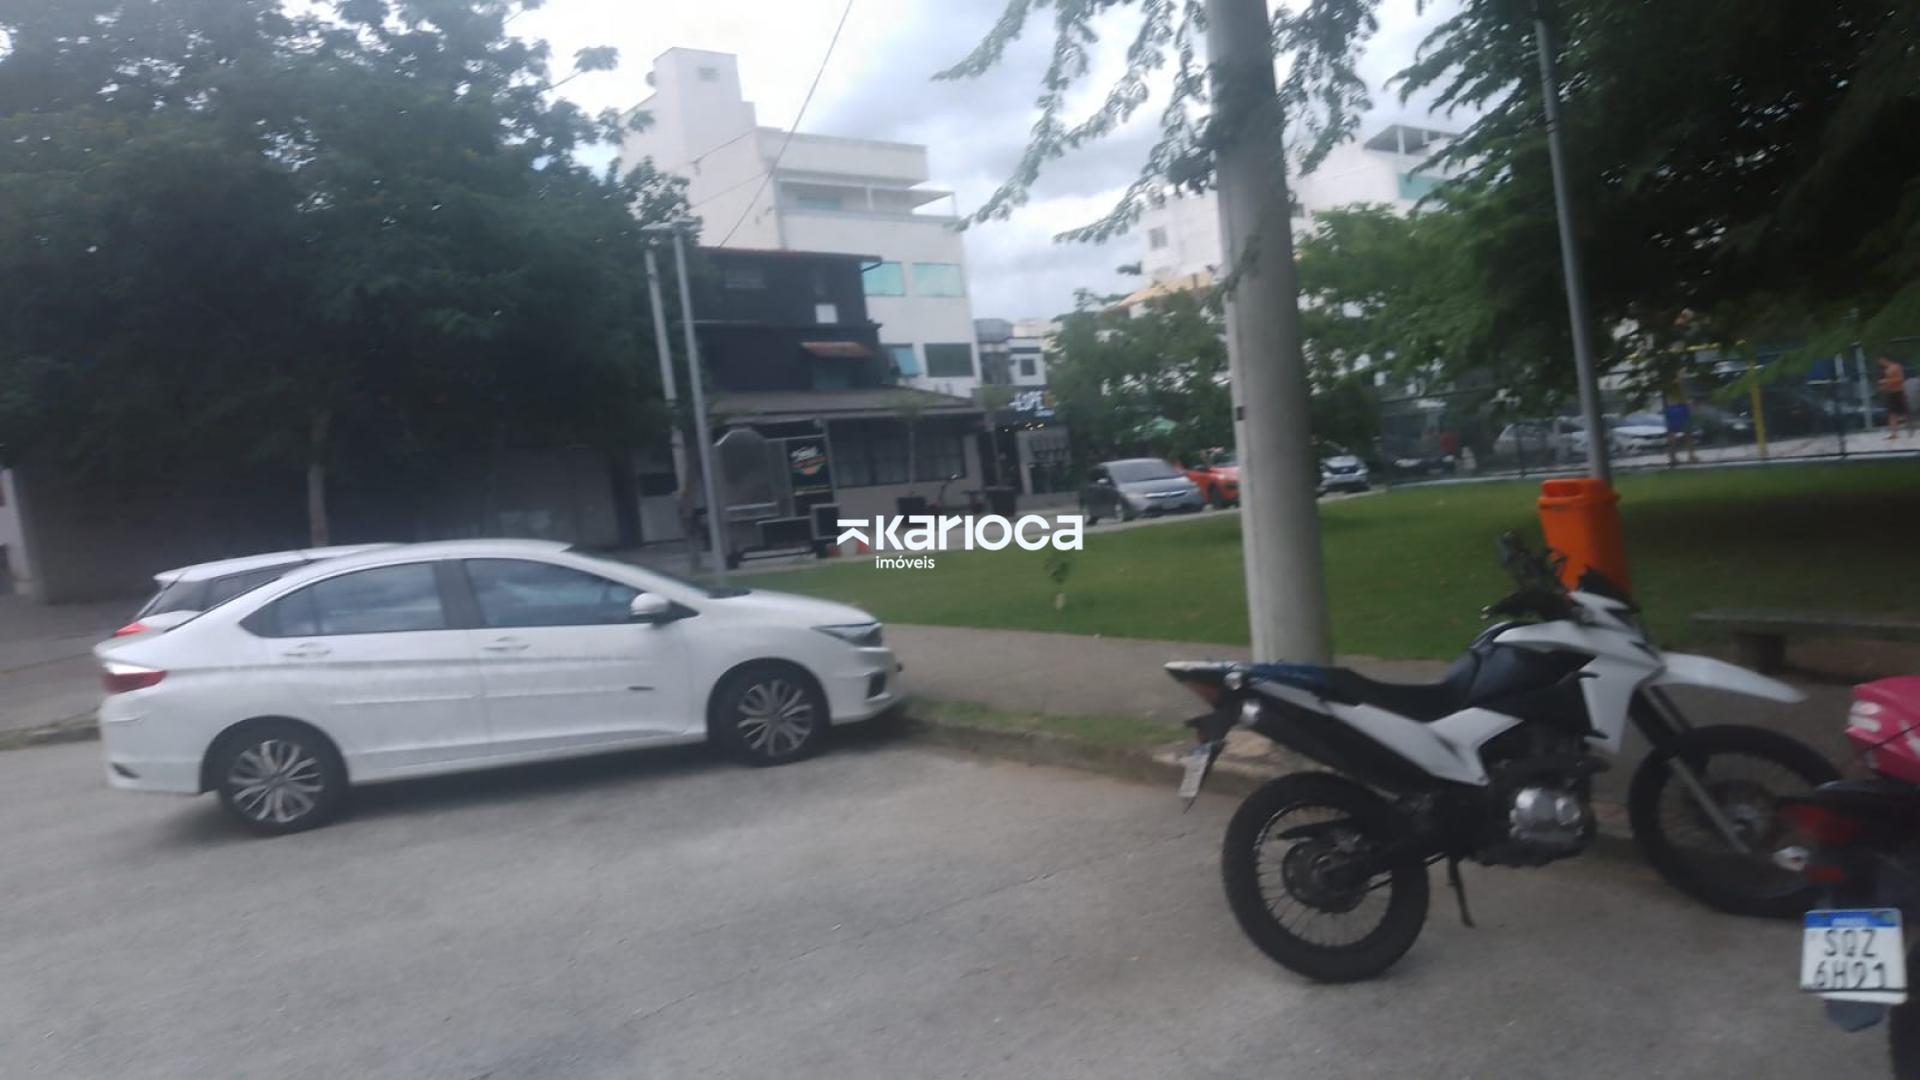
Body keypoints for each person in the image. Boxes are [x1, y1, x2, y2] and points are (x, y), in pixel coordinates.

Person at [1663, 380, 1698, 463]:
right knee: (1688, 435)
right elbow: (1685, 398)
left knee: (1672, 435)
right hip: (1680, 408)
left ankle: (1673, 457)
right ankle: (1691, 456)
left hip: (1671, 409)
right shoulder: (1680, 386)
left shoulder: (1667, 385)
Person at [1878, 355, 1910, 439]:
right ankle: (1894, 433)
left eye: (1881, 361)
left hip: (1898, 392)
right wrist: (1883, 387)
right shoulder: (1886, 370)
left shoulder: (1896, 367)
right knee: (1892, 414)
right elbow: (1888, 383)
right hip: (1891, 393)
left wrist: (1886, 381)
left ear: (1885, 359)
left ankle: (1910, 430)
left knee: (1905, 412)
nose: (1880, 363)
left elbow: (1900, 379)